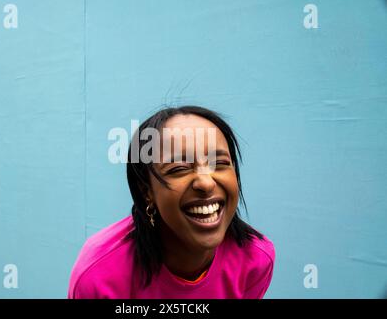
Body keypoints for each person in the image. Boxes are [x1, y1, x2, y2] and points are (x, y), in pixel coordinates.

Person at [68, 105, 275, 298]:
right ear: (146, 191)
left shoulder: (255, 260)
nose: (206, 182)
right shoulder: (98, 276)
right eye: (179, 168)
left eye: (220, 163)